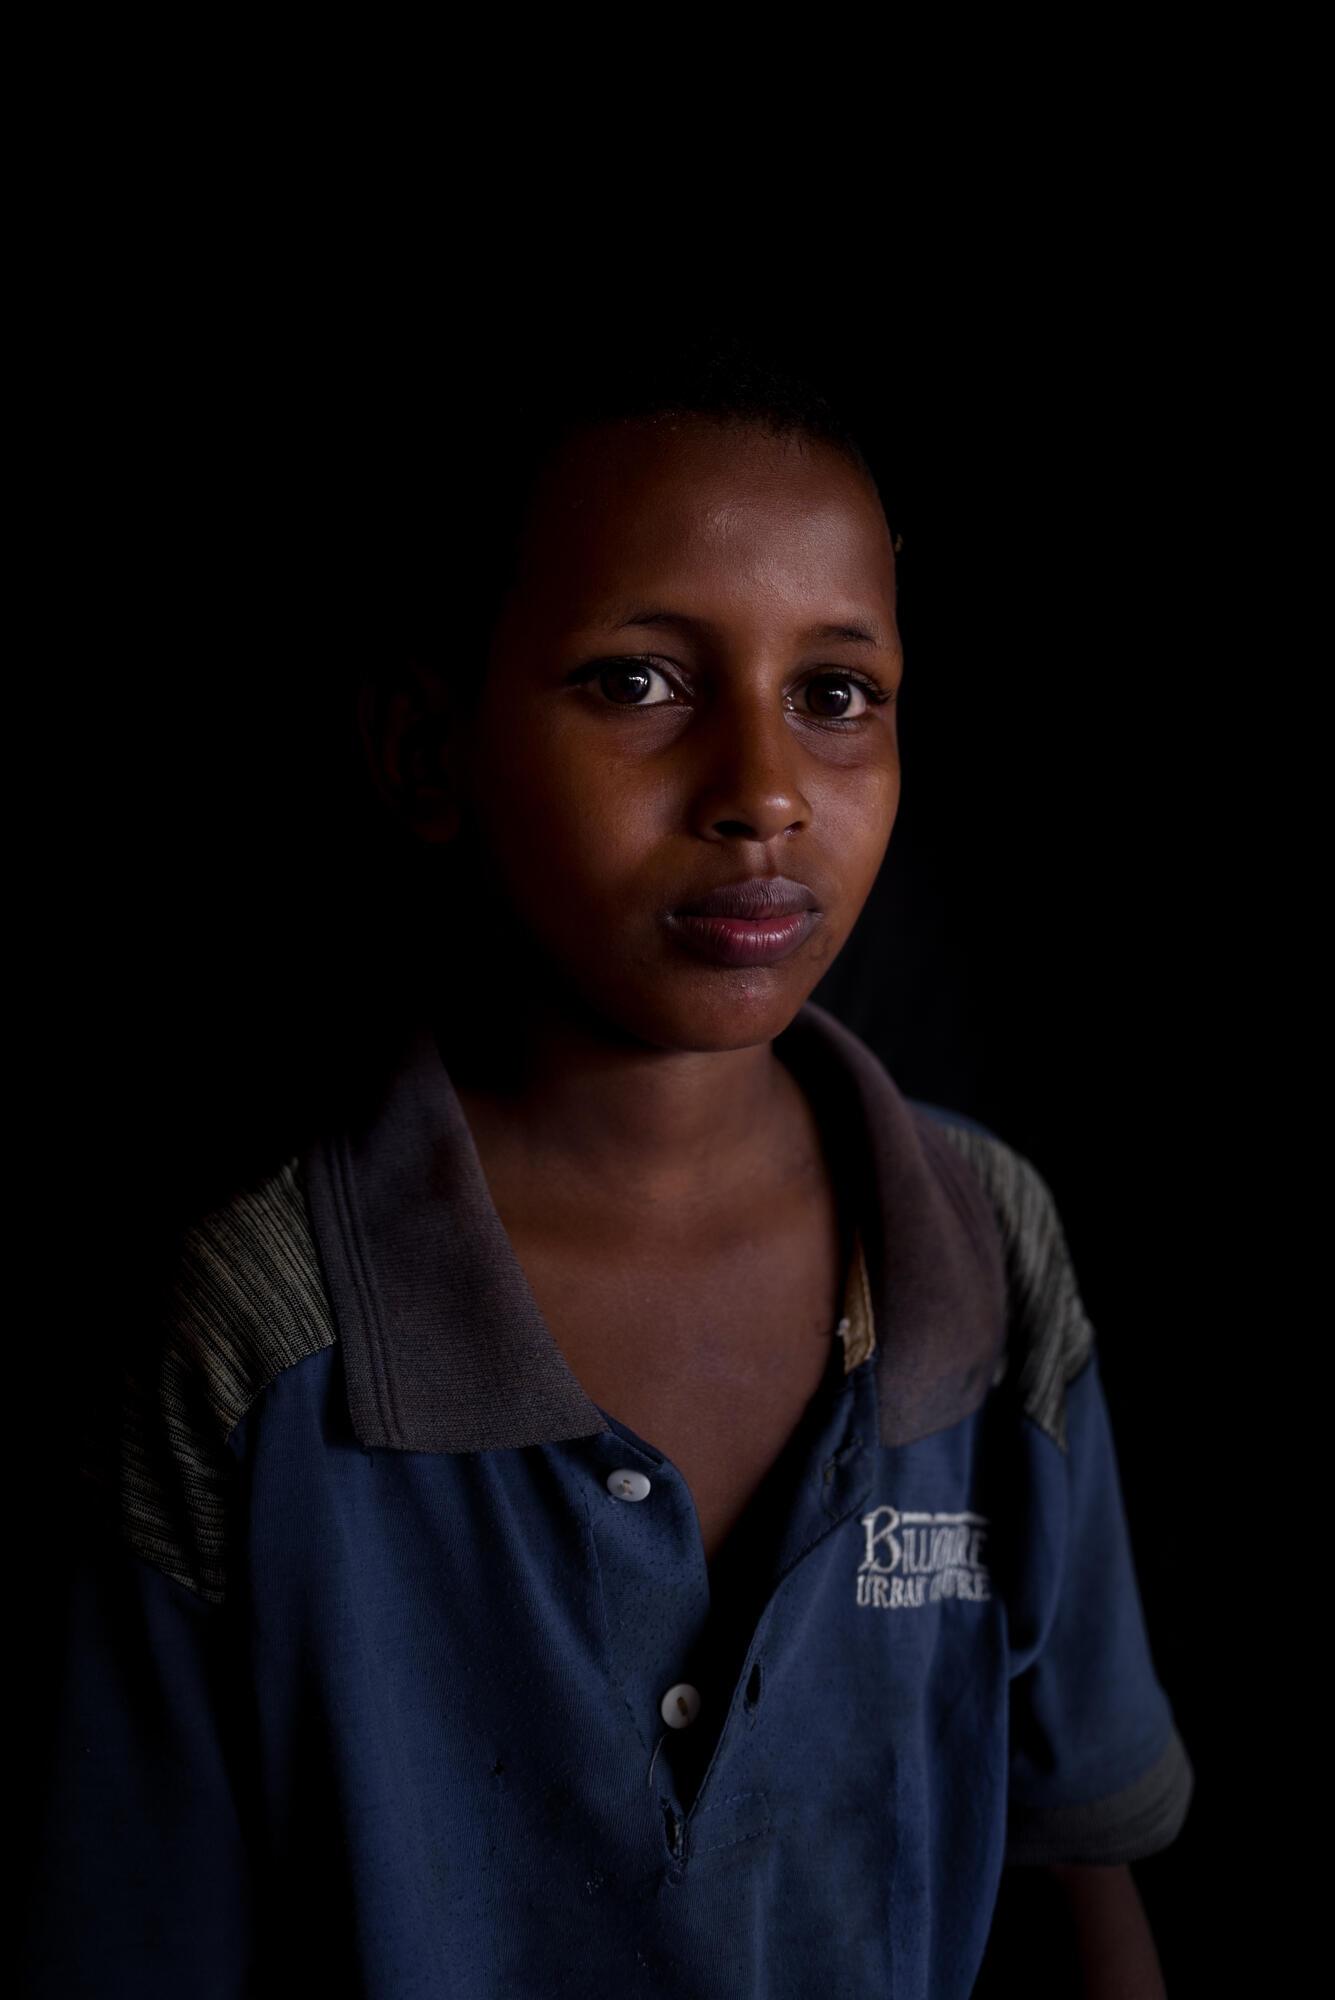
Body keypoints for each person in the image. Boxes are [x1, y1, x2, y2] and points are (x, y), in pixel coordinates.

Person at [24, 330, 1193, 1997]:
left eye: (836, 694)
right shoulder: (260, 1338)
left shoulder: (979, 1244)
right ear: (427, 752)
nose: (765, 791)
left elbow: (1084, 1871)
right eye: (640, 682)